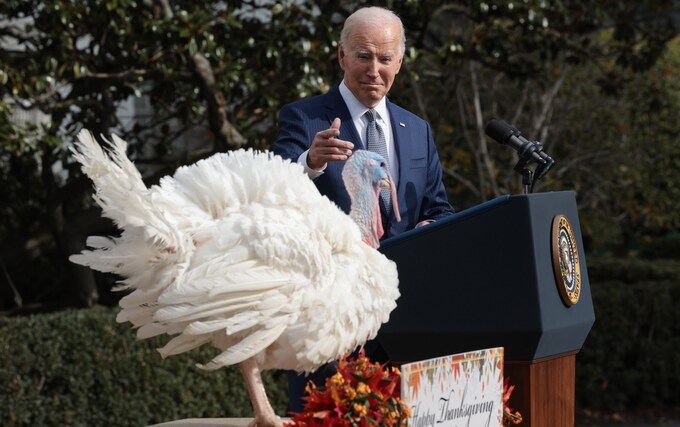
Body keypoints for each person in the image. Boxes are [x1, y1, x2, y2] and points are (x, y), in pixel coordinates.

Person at [272, 6, 455, 412]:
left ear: (400, 63)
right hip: (330, 319)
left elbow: (439, 209)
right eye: (363, 56)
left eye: (385, 58)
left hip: (406, 319)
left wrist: (430, 226)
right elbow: (271, 193)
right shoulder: (303, 118)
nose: (374, 69)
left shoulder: (417, 130)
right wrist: (311, 163)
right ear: (342, 56)